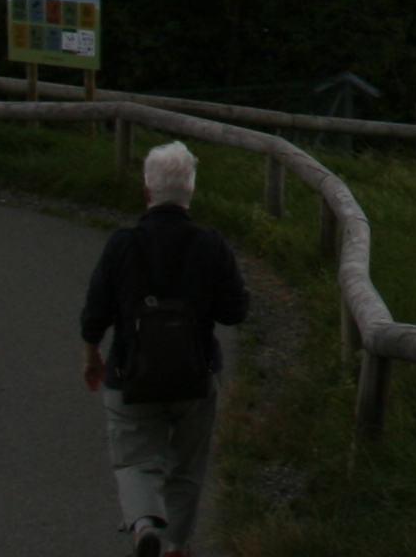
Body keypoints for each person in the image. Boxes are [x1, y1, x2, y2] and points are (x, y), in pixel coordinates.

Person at [81, 141, 252, 557]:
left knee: (135, 459)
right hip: (195, 375)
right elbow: (235, 312)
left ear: (147, 191)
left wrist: (92, 355)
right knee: (186, 467)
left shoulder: (123, 245)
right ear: (190, 191)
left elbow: (95, 312)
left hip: (131, 374)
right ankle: (176, 545)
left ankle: (144, 526)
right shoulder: (210, 244)